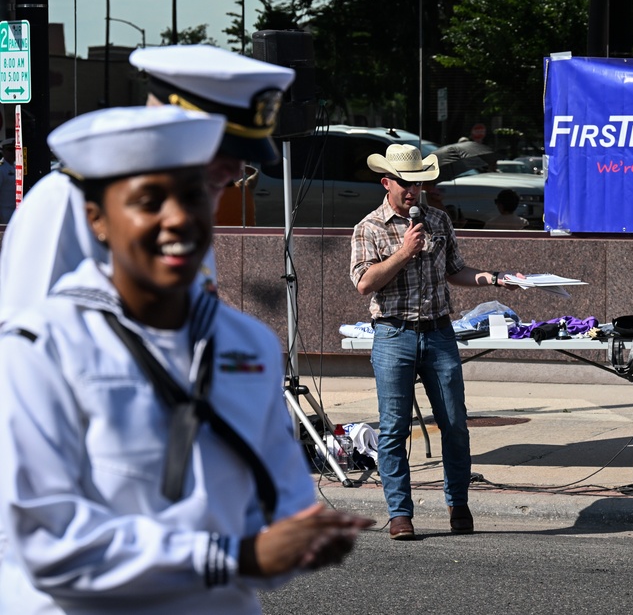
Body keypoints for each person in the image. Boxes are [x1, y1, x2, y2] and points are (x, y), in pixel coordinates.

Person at [0, 106, 373, 614]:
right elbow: (50, 545)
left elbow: (281, 514)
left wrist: (300, 541)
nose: (177, 218)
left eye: (197, 195)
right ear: (97, 220)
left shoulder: (251, 344)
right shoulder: (40, 345)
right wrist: (230, 556)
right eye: (148, 201)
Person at [0, 45, 295, 323]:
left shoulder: (188, 210)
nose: (236, 170)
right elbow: (25, 341)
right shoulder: (65, 200)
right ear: (168, 125)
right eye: (224, 148)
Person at [350, 143, 521, 540]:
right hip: (394, 334)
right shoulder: (369, 227)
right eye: (405, 183)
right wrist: (403, 254)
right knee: (394, 429)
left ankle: (458, 504)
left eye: (419, 184)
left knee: (454, 423)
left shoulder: (438, 220)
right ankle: (399, 514)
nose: (412, 191)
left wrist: (495, 278)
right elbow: (364, 283)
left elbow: (456, 271)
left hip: (439, 332)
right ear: (386, 182)